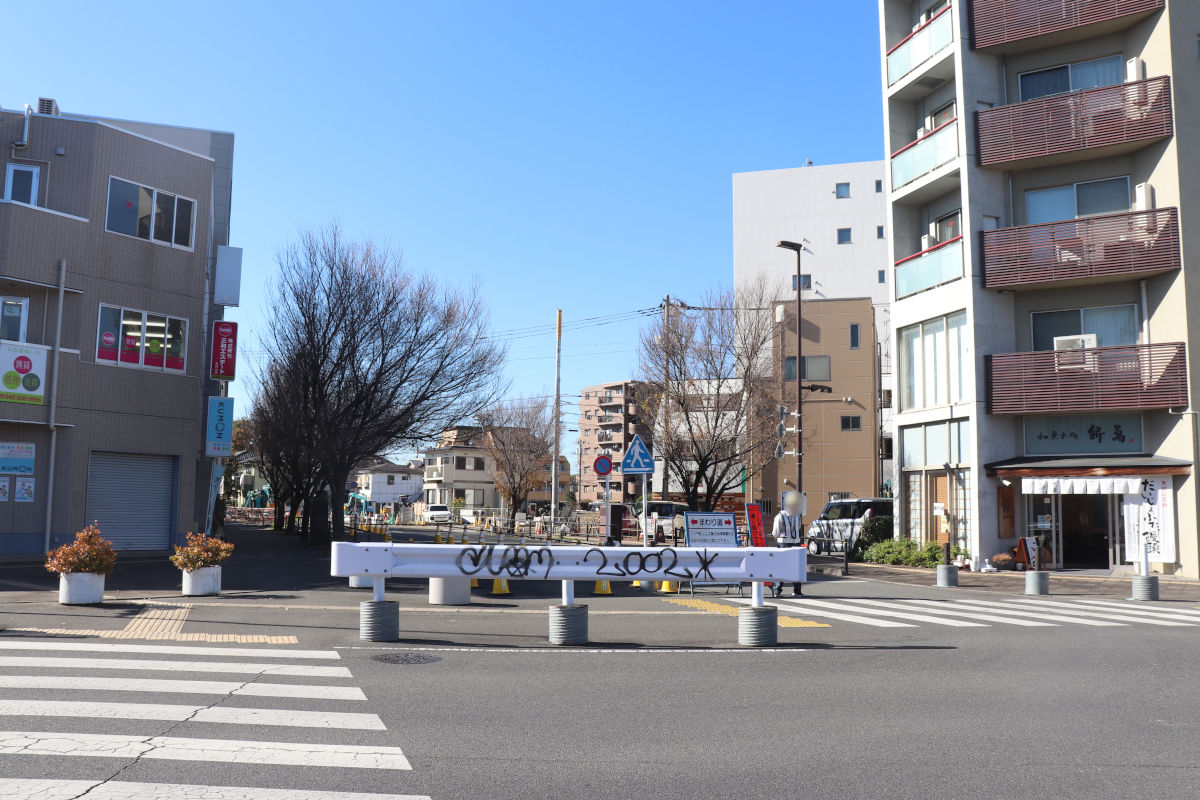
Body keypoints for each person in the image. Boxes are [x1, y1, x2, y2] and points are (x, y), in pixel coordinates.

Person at [771, 491, 805, 596]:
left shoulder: (779, 516)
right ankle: (797, 590)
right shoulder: (797, 516)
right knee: (796, 567)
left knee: (781, 567)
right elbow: (799, 528)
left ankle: (778, 589)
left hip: (783, 545)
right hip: (796, 544)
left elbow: (775, 533)